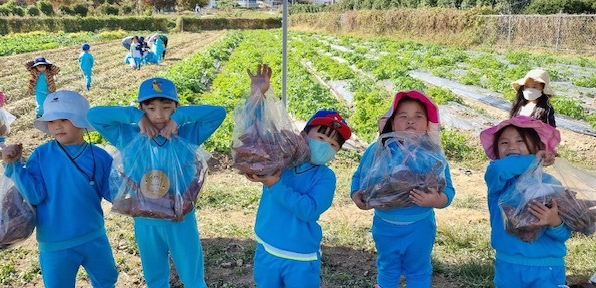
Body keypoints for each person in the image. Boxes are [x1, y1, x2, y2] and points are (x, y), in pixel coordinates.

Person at [87, 77, 226, 288]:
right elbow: (94, 115)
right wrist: (135, 117)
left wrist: (180, 119)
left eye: (167, 107)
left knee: (192, 276)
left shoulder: (187, 134)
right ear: (142, 108)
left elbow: (218, 113)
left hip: (180, 217)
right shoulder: (128, 136)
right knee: (155, 276)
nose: (159, 115)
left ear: (176, 108)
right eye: (150, 108)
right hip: (145, 219)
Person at [243, 64, 353, 287]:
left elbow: (309, 210)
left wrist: (274, 183)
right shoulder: (282, 158)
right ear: (304, 134)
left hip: (301, 258)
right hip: (267, 248)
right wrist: (257, 95)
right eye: (321, 138)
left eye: (333, 145)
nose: (325, 147)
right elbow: (255, 132)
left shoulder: (325, 177)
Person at [1, 90, 118, 287]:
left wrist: (132, 177)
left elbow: (113, 193)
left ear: (81, 121)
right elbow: (34, 195)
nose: (57, 126)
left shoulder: (99, 156)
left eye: (64, 119)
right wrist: (14, 167)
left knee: (106, 280)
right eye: (51, 121)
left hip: (94, 235)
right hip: (55, 243)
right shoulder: (41, 155)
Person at [351, 90, 456, 288]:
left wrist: (436, 200)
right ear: (391, 122)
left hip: (420, 227)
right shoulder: (378, 150)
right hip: (385, 226)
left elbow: (448, 190)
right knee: (387, 267)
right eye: (403, 116)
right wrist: (356, 194)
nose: (410, 121)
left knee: (419, 270)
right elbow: (360, 177)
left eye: (418, 116)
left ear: (427, 125)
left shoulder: (432, 155)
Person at [480, 116, 569, 288]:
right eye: (504, 143)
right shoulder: (499, 183)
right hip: (508, 264)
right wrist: (533, 160)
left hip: (547, 267)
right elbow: (500, 168)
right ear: (497, 152)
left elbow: (563, 234)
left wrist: (554, 222)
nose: (512, 146)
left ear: (537, 147)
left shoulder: (550, 186)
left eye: (520, 141)